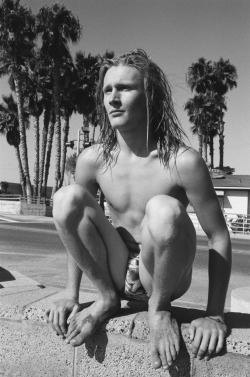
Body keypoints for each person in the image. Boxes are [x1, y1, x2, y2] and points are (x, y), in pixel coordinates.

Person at [46, 49, 232, 371]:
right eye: (107, 91)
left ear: (150, 97)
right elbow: (76, 226)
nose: (113, 99)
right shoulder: (93, 160)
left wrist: (214, 314)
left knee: (162, 209)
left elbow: (218, 237)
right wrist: (70, 292)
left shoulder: (182, 161)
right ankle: (106, 299)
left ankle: (158, 309)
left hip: (163, 272)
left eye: (125, 89)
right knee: (66, 198)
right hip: (116, 268)